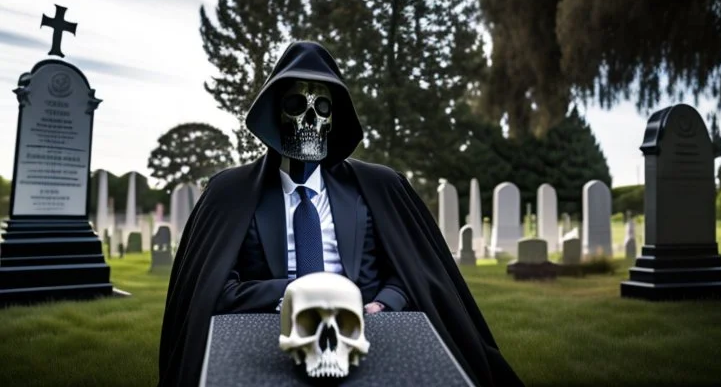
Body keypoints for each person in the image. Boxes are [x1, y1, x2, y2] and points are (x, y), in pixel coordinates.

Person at [157, 41, 524, 387]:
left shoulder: (380, 187)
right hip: (269, 333)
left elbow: (415, 270)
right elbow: (210, 290)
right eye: (297, 105)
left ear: (333, 120)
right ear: (275, 112)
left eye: (322, 108)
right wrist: (296, 295)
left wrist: (383, 303)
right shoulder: (229, 194)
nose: (311, 120)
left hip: (365, 330)